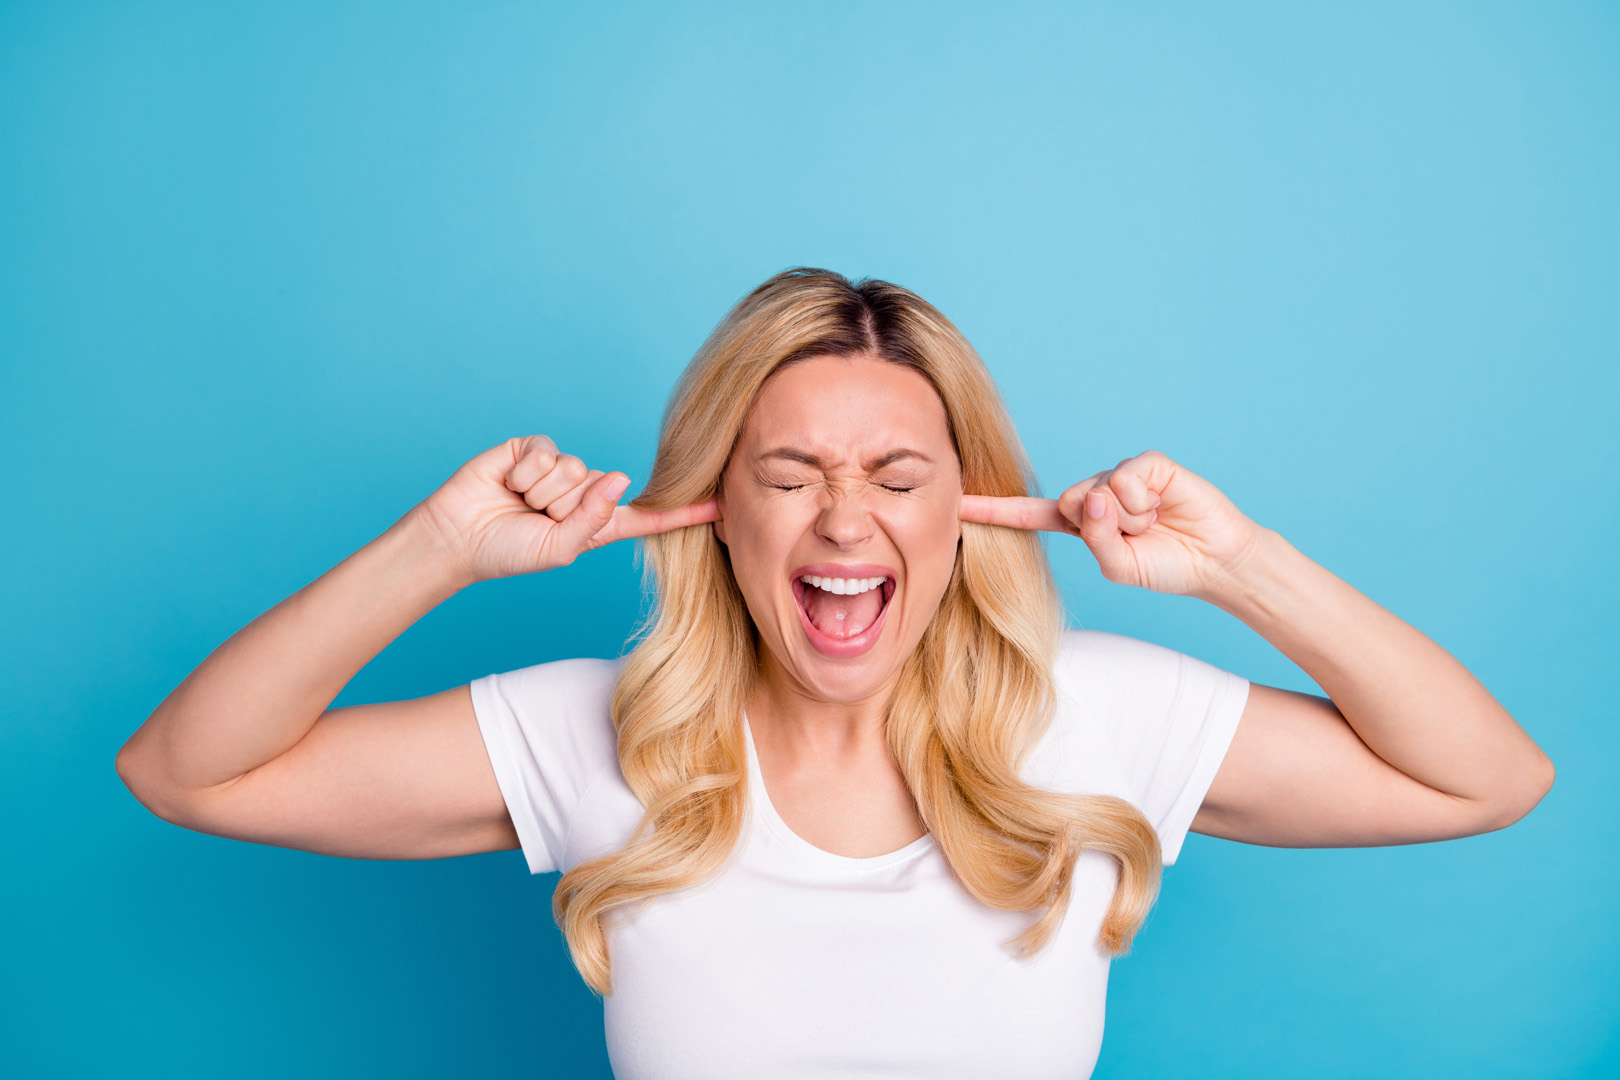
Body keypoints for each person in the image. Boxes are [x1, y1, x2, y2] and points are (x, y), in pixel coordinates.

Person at [116, 267, 1555, 1079]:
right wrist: (437, 545)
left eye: (897, 475)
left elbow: (1490, 777)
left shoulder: (1100, 712)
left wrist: (1238, 562)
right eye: (790, 474)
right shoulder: (600, 738)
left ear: (966, 509)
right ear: (715, 508)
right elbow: (186, 771)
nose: (846, 521)